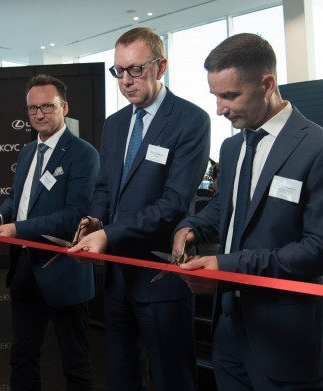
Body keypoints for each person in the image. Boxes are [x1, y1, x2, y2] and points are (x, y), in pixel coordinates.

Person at [171, 33, 323, 390]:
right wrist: (191, 227)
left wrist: (227, 267)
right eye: (215, 96)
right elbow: (226, 205)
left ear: (267, 85)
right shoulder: (231, 147)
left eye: (230, 96)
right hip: (228, 330)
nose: (219, 109)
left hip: (286, 337)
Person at [69, 27, 211, 391]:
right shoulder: (115, 125)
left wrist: (107, 235)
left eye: (135, 69)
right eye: (119, 71)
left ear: (161, 67)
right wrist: (94, 219)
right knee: (121, 375)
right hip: (117, 278)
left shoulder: (191, 120)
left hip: (160, 277)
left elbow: (173, 203)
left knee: (172, 379)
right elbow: (105, 188)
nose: (126, 81)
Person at [0, 74, 100, 391]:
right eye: (33, 108)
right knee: (22, 358)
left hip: (63, 269)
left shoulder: (83, 153)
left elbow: (74, 215)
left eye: (47, 106)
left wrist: (17, 229)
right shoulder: (27, 152)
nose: (39, 114)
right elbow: (16, 199)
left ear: (64, 107)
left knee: (75, 364)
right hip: (24, 268)